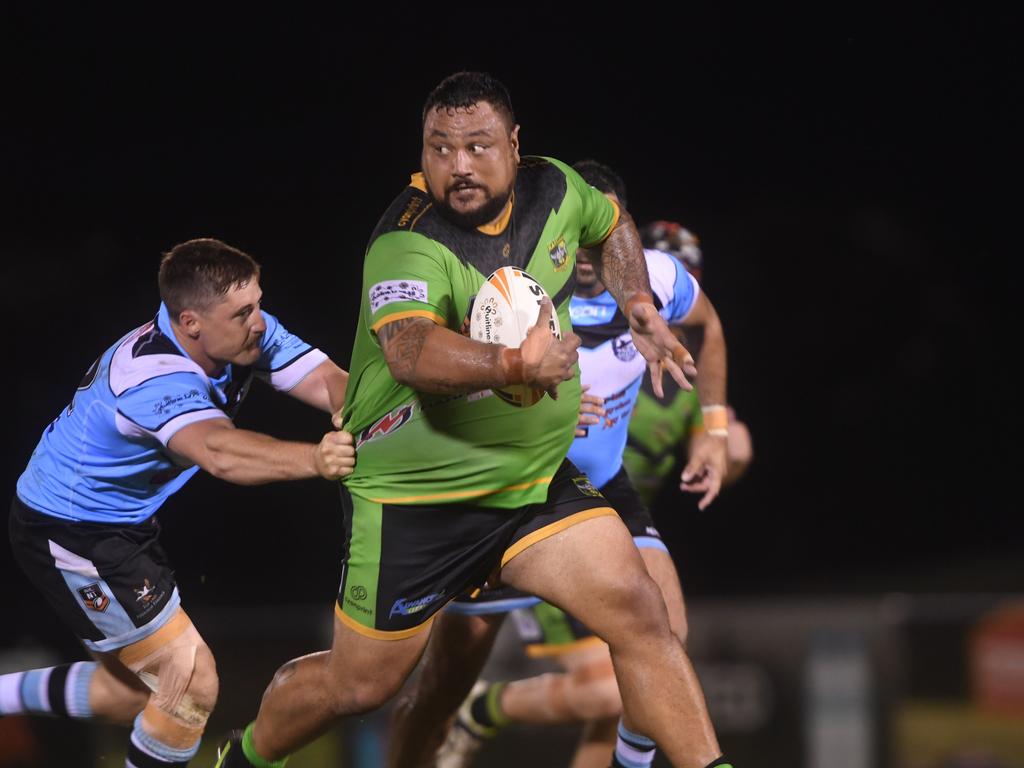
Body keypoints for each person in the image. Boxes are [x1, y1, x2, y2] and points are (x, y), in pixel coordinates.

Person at [215, 73, 731, 768]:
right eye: (441, 148)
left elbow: (611, 226)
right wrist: (519, 365)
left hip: (532, 484)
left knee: (644, 617)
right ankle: (243, 757)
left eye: (478, 146)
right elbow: (411, 351)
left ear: (515, 147)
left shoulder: (556, 189)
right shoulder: (405, 240)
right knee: (360, 685)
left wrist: (637, 300)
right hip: (416, 502)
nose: (458, 166)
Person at [388, 161, 733, 768]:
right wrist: (531, 409)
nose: (589, 251)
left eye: (602, 234)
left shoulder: (656, 281)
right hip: (509, 492)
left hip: (598, 489)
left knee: (663, 638)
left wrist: (715, 426)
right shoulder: (512, 286)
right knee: (439, 688)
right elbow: (436, 381)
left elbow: (707, 328)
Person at [0, 238, 355, 768]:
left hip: (116, 525)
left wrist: (381, 419)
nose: (259, 322)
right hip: (73, 532)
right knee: (187, 685)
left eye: (258, 303)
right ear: (190, 323)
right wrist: (317, 460)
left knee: (132, 697)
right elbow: (219, 452)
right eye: (243, 313)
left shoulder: (237, 334)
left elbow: (331, 384)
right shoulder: (153, 376)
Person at [624, 221, 752, 505]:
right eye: (655, 278)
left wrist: (729, 454)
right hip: (564, 499)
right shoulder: (598, 332)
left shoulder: (696, 377)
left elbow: (702, 463)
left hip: (630, 513)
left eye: (682, 280)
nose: (666, 293)